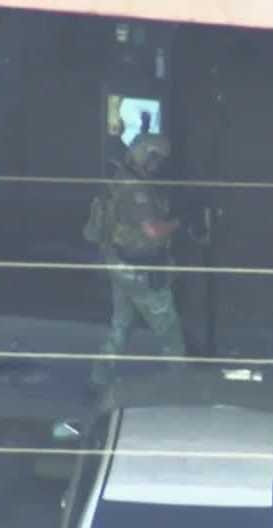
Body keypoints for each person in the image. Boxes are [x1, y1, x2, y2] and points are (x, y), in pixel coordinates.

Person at [83, 133, 185, 386]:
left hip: (121, 266)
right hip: (140, 270)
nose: (157, 164)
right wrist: (179, 223)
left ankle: (99, 377)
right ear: (143, 154)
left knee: (121, 326)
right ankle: (182, 385)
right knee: (170, 332)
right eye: (154, 157)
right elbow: (152, 231)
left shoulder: (121, 178)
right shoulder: (136, 189)